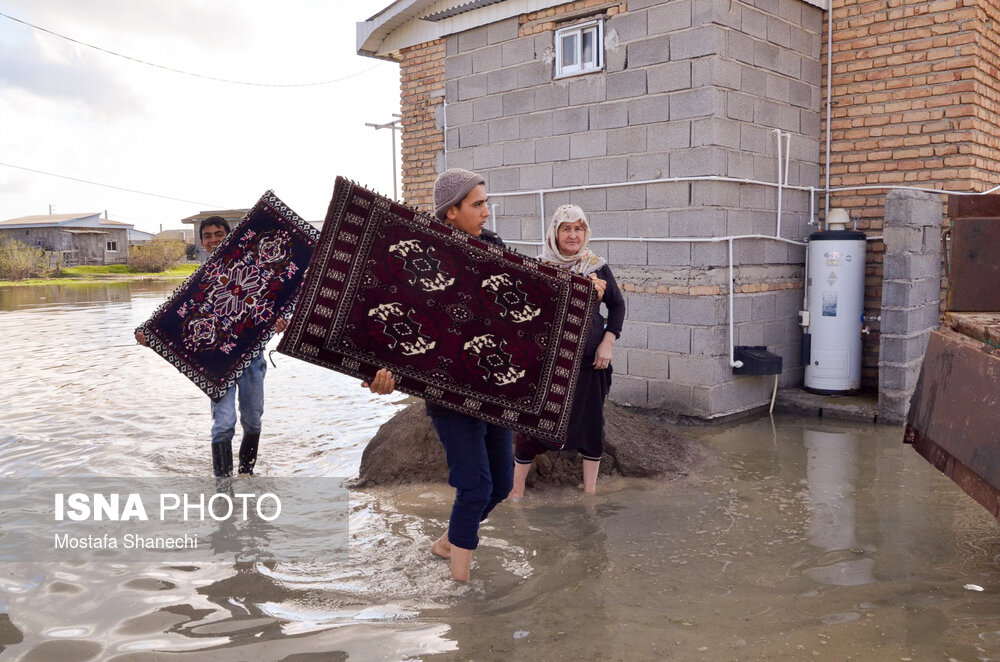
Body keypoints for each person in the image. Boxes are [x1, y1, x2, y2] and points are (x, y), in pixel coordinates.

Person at [135, 216, 398, 477]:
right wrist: (146, 334)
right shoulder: (197, 281)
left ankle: (247, 475)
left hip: (251, 359)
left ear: (231, 237)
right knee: (223, 424)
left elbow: (279, 298)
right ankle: (223, 485)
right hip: (216, 365)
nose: (214, 239)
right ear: (202, 242)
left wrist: (279, 322)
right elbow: (172, 317)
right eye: (208, 236)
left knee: (252, 419)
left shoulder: (260, 269)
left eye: (219, 234)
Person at [424, 167, 516, 582]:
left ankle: (447, 543)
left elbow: (533, 295)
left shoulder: (495, 250)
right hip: (448, 395)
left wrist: (586, 288)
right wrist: (378, 375)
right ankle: (461, 591)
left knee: (500, 486)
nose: (486, 212)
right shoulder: (424, 264)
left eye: (486, 202)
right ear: (451, 213)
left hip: (493, 387)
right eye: (477, 204)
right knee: (475, 487)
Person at [509, 204, 625, 497]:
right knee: (532, 426)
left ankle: (589, 494)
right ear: (555, 232)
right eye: (566, 228)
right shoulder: (539, 267)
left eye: (579, 228)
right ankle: (516, 492)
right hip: (548, 366)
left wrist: (607, 343)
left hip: (589, 364)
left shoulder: (596, 267)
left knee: (591, 426)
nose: (573, 235)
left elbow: (617, 306)